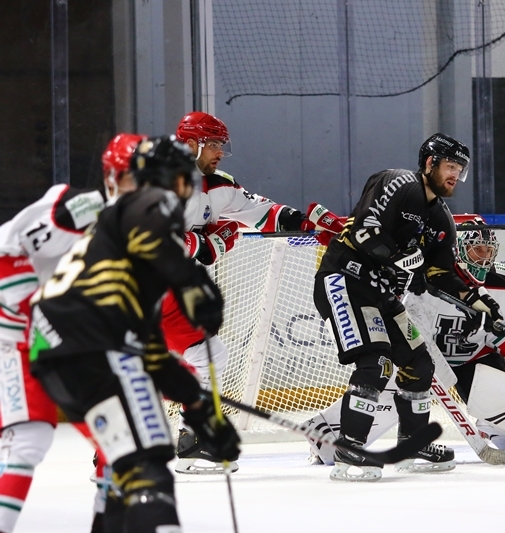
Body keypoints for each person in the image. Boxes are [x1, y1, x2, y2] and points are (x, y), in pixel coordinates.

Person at [28, 135, 240, 533]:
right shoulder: (137, 215)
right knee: (146, 470)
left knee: (126, 468)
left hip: (58, 347)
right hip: (82, 347)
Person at [305, 216, 505, 465]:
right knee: (396, 394)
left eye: (488, 250)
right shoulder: (424, 280)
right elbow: (406, 326)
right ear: (458, 250)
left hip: (474, 360)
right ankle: (328, 433)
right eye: (476, 249)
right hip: (419, 355)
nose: (484, 257)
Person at [312, 133, 505, 482]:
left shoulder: (441, 219)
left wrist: (476, 300)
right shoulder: (398, 182)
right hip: (345, 281)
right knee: (376, 362)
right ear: (430, 163)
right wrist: (401, 256)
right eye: (450, 166)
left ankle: (411, 443)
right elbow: (364, 233)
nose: (454, 175)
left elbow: (440, 274)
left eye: (459, 170)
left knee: (419, 362)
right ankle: (349, 449)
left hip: (383, 295)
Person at [161, 111, 343, 474]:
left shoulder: (217, 184)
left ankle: (120, 452)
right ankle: (191, 437)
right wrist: (208, 243)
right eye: (212, 144)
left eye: (220, 145)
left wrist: (309, 223)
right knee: (204, 355)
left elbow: (262, 212)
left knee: (187, 359)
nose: (219, 153)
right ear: (191, 143)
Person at [0, 133, 144, 533]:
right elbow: (4, 249)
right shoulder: (80, 209)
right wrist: (34, 309)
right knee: (28, 438)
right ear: (113, 178)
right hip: (14, 335)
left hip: (62, 346)